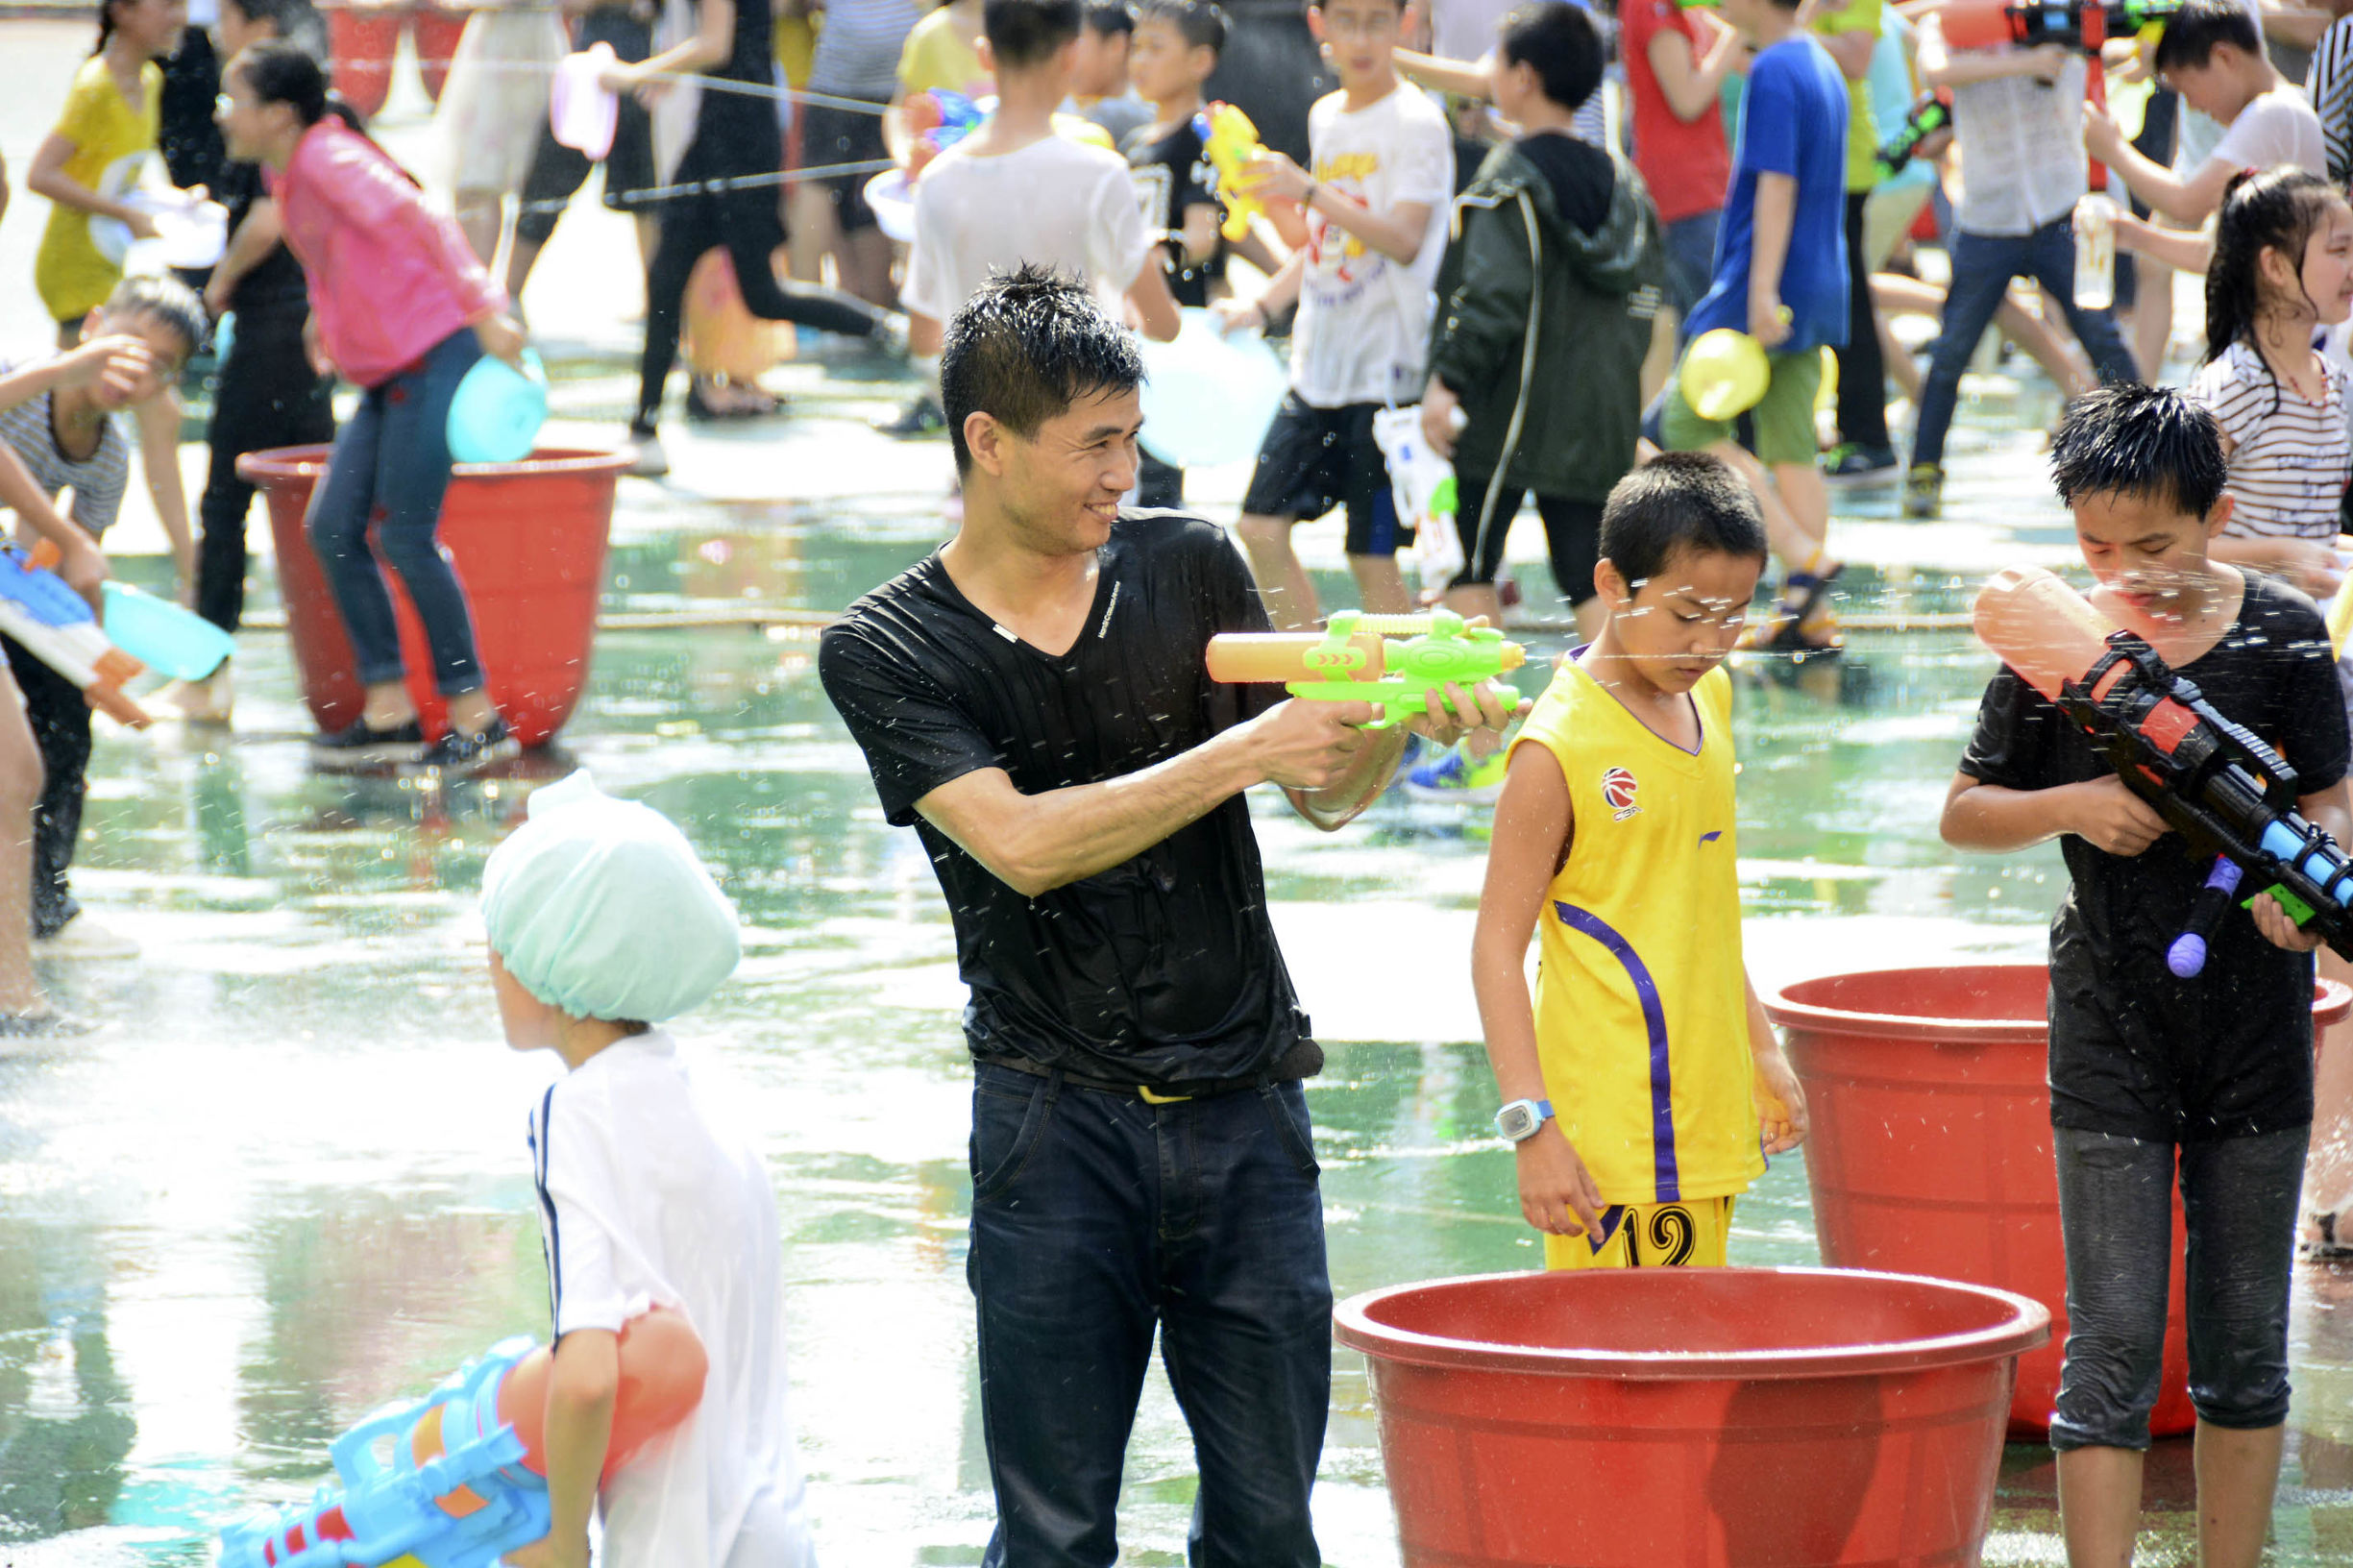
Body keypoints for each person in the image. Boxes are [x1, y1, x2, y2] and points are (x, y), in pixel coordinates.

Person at [819, 267, 1514, 1567]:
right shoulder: (887, 647)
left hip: (1250, 1107)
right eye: (1094, 445)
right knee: (1055, 1531)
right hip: (1050, 1125)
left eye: (1131, 440)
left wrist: (1388, 725)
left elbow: (1324, 794)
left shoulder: (1187, 564)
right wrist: (1249, 754)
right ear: (988, 442)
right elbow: (1022, 846)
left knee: (1269, 1530)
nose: (1121, 475)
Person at [1941, 382, 2348, 1568]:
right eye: (2096, 546)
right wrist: (2073, 804)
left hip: (2257, 1017)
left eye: (2157, 547)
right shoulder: (2052, 645)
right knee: (2110, 1341)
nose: (2127, 571)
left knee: (2241, 1341)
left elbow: (2324, 792)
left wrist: (2305, 890)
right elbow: (1964, 813)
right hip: (2109, 1012)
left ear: (2217, 515)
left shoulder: (2280, 632)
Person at [1470, 453, 1806, 1266]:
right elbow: (1493, 951)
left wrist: (1760, 1048)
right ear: (1613, 586)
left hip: (1706, 1113)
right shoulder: (1556, 751)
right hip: (1616, 1140)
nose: (1710, 642)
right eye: (1687, 613)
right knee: (1629, 1375)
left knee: (1691, 1361)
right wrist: (1531, 1127)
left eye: (1733, 616)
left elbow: (1693, 906)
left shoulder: (1708, 698)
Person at [483, 772, 814, 1567]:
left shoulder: (576, 1114)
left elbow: (588, 1374)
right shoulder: (707, 1102)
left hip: (675, 1542)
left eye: (499, 942)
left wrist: (563, 1544)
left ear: (549, 963)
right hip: (778, 1529)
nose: (489, 966)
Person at [216, 41, 520, 773]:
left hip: (435, 349)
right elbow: (328, 251)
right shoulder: (287, 167)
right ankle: (387, 711)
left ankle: (479, 719)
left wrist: (485, 308)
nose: (224, 113)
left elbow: (421, 218)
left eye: (236, 99)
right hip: (389, 368)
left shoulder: (330, 159)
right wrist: (326, 315)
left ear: (279, 114)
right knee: (334, 528)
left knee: (407, 535)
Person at [1419, 2, 1664, 648]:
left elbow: (1492, 296)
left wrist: (1447, 379)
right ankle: (1625, 723)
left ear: (1522, 77)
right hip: (1599, 411)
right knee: (1589, 572)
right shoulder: (1627, 186)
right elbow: (1647, 304)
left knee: (1466, 557)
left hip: (1509, 411)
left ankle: (1480, 737)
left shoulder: (1509, 179)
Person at [1216, 0, 1454, 629]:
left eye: (1377, 20)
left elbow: (1403, 238)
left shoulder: (1417, 121)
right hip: (1318, 364)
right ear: (1317, 22)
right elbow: (1325, 239)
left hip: (1388, 372)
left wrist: (1305, 189)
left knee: (1371, 557)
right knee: (1259, 527)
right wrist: (1264, 301)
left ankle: (1402, 721)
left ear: (1404, 22)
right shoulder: (1326, 117)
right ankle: (1316, 689)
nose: (1361, 37)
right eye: (1345, 20)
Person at [606, 0, 905, 476]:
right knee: (669, 278)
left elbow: (715, 42)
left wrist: (635, 73)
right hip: (720, 130)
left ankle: (891, 332)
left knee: (762, 294)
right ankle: (643, 427)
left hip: (739, 138)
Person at [0, 276, 202, 958]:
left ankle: (46, 904)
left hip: (15, 589)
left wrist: (90, 663)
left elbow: (73, 564)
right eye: (129, 345)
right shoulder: (22, 384)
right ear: (92, 325)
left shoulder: (107, 456)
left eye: (161, 366)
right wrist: (62, 370)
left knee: (63, 725)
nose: (135, 369)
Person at [1655, 0, 1848, 654]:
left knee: (1684, 425)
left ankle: (1800, 557)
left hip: (1763, 283)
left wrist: (1760, 291)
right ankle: (1812, 610)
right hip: (1817, 274)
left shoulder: (1772, 70)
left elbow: (1776, 186)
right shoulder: (1815, 59)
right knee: (1790, 441)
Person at [1902, 12, 2141, 519]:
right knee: (1950, 353)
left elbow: (2094, 41)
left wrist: (2047, 45)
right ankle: (1924, 471)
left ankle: (2152, 448)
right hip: (1987, 216)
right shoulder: (1949, 20)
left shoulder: (2050, 13)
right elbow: (1935, 69)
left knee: (2100, 334)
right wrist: (2027, 59)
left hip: (2057, 204)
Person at [175, 0, 335, 726]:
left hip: (277, 333)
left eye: (232, 99)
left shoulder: (299, 140)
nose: (219, 111)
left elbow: (271, 219)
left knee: (227, 498)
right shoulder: (323, 125)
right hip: (306, 336)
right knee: (325, 507)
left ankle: (206, 677)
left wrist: (219, 284)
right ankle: (347, 670)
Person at [900, 0, 1181, 359]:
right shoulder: (1100, 174)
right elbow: (1164, 326)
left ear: (984, 54)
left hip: (982, 409)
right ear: (1072, 55)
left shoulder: (936, 180)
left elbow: (924, 340)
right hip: (1081, 402)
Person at [2186, 169, 2353, 602]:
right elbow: (2172, 540)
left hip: (2310, 633)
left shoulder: (2332, 381)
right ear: (2275, 265)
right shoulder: (2236, 385)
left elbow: (2313, 534)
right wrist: (2281, 556)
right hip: (2246, 637)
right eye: (2340, 250)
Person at [2085, 0, 2327, 233]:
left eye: (2188, 88)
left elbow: (2186, 204)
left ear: (2223, 57)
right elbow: (2208, 253)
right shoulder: (2275, 108)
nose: (2193, 105)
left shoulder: (2274, 112)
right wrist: (2134, 236)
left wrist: (2113, 148)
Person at [29, 0, 190, 346]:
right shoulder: (95, 86)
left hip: (111, 258)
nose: (181, 17)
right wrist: (123, 214)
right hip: (74, 265)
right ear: (123, 11)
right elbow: (41, 175)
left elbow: (124, 172)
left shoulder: (150, 80)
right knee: (104, 384)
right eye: (168, 6)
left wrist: (176, 201)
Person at [1123, 0, 1230, 508]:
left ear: (1199, 62)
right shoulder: (1134, 143)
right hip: (1128, 330)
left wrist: (1155, 251)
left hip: (1176, 332)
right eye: (1136, 47)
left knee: (1160, 481)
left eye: (1155, 48)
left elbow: (1204, 236)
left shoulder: (1204, 137)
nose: (1139, 60)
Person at [789, 0, 920, 308]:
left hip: (841, 59)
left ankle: (802, 312)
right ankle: (878, 311)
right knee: (876, 188)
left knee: (817, 184)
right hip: (898, 49)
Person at [1617, 0, 1736, 339]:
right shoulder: (1651, 6)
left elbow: (1749, 55)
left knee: (1698, 329)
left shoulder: (1685, 8)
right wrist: (1741, 31)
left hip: (1702, 190)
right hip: (1685, 195)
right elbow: (1687, 99)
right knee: (1711, 332)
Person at [1812, 0, 1896, 479]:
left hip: (1844, 166)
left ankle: (1868, 435)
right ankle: (1856, 432)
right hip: (1820, 162)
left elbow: (1856, 57)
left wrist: (1794, 27)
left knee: (1851, 305)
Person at [1069, 0, 1152, 141]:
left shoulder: (1142, 118)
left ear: (1116, 45)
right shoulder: (1064, 107)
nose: (1069, 57)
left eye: (1078, 44)